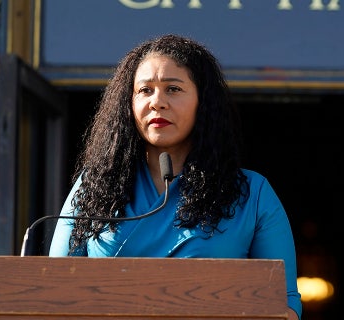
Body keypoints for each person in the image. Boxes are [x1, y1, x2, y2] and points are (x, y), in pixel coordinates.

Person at [48, 34, 302, 319]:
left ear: (203, 103)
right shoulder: (93, 187)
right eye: (145, 90)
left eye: (173, 89)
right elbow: (54, 289)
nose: (158, 102)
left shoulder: (252, 194)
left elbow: (284, 303)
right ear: (128, 104)